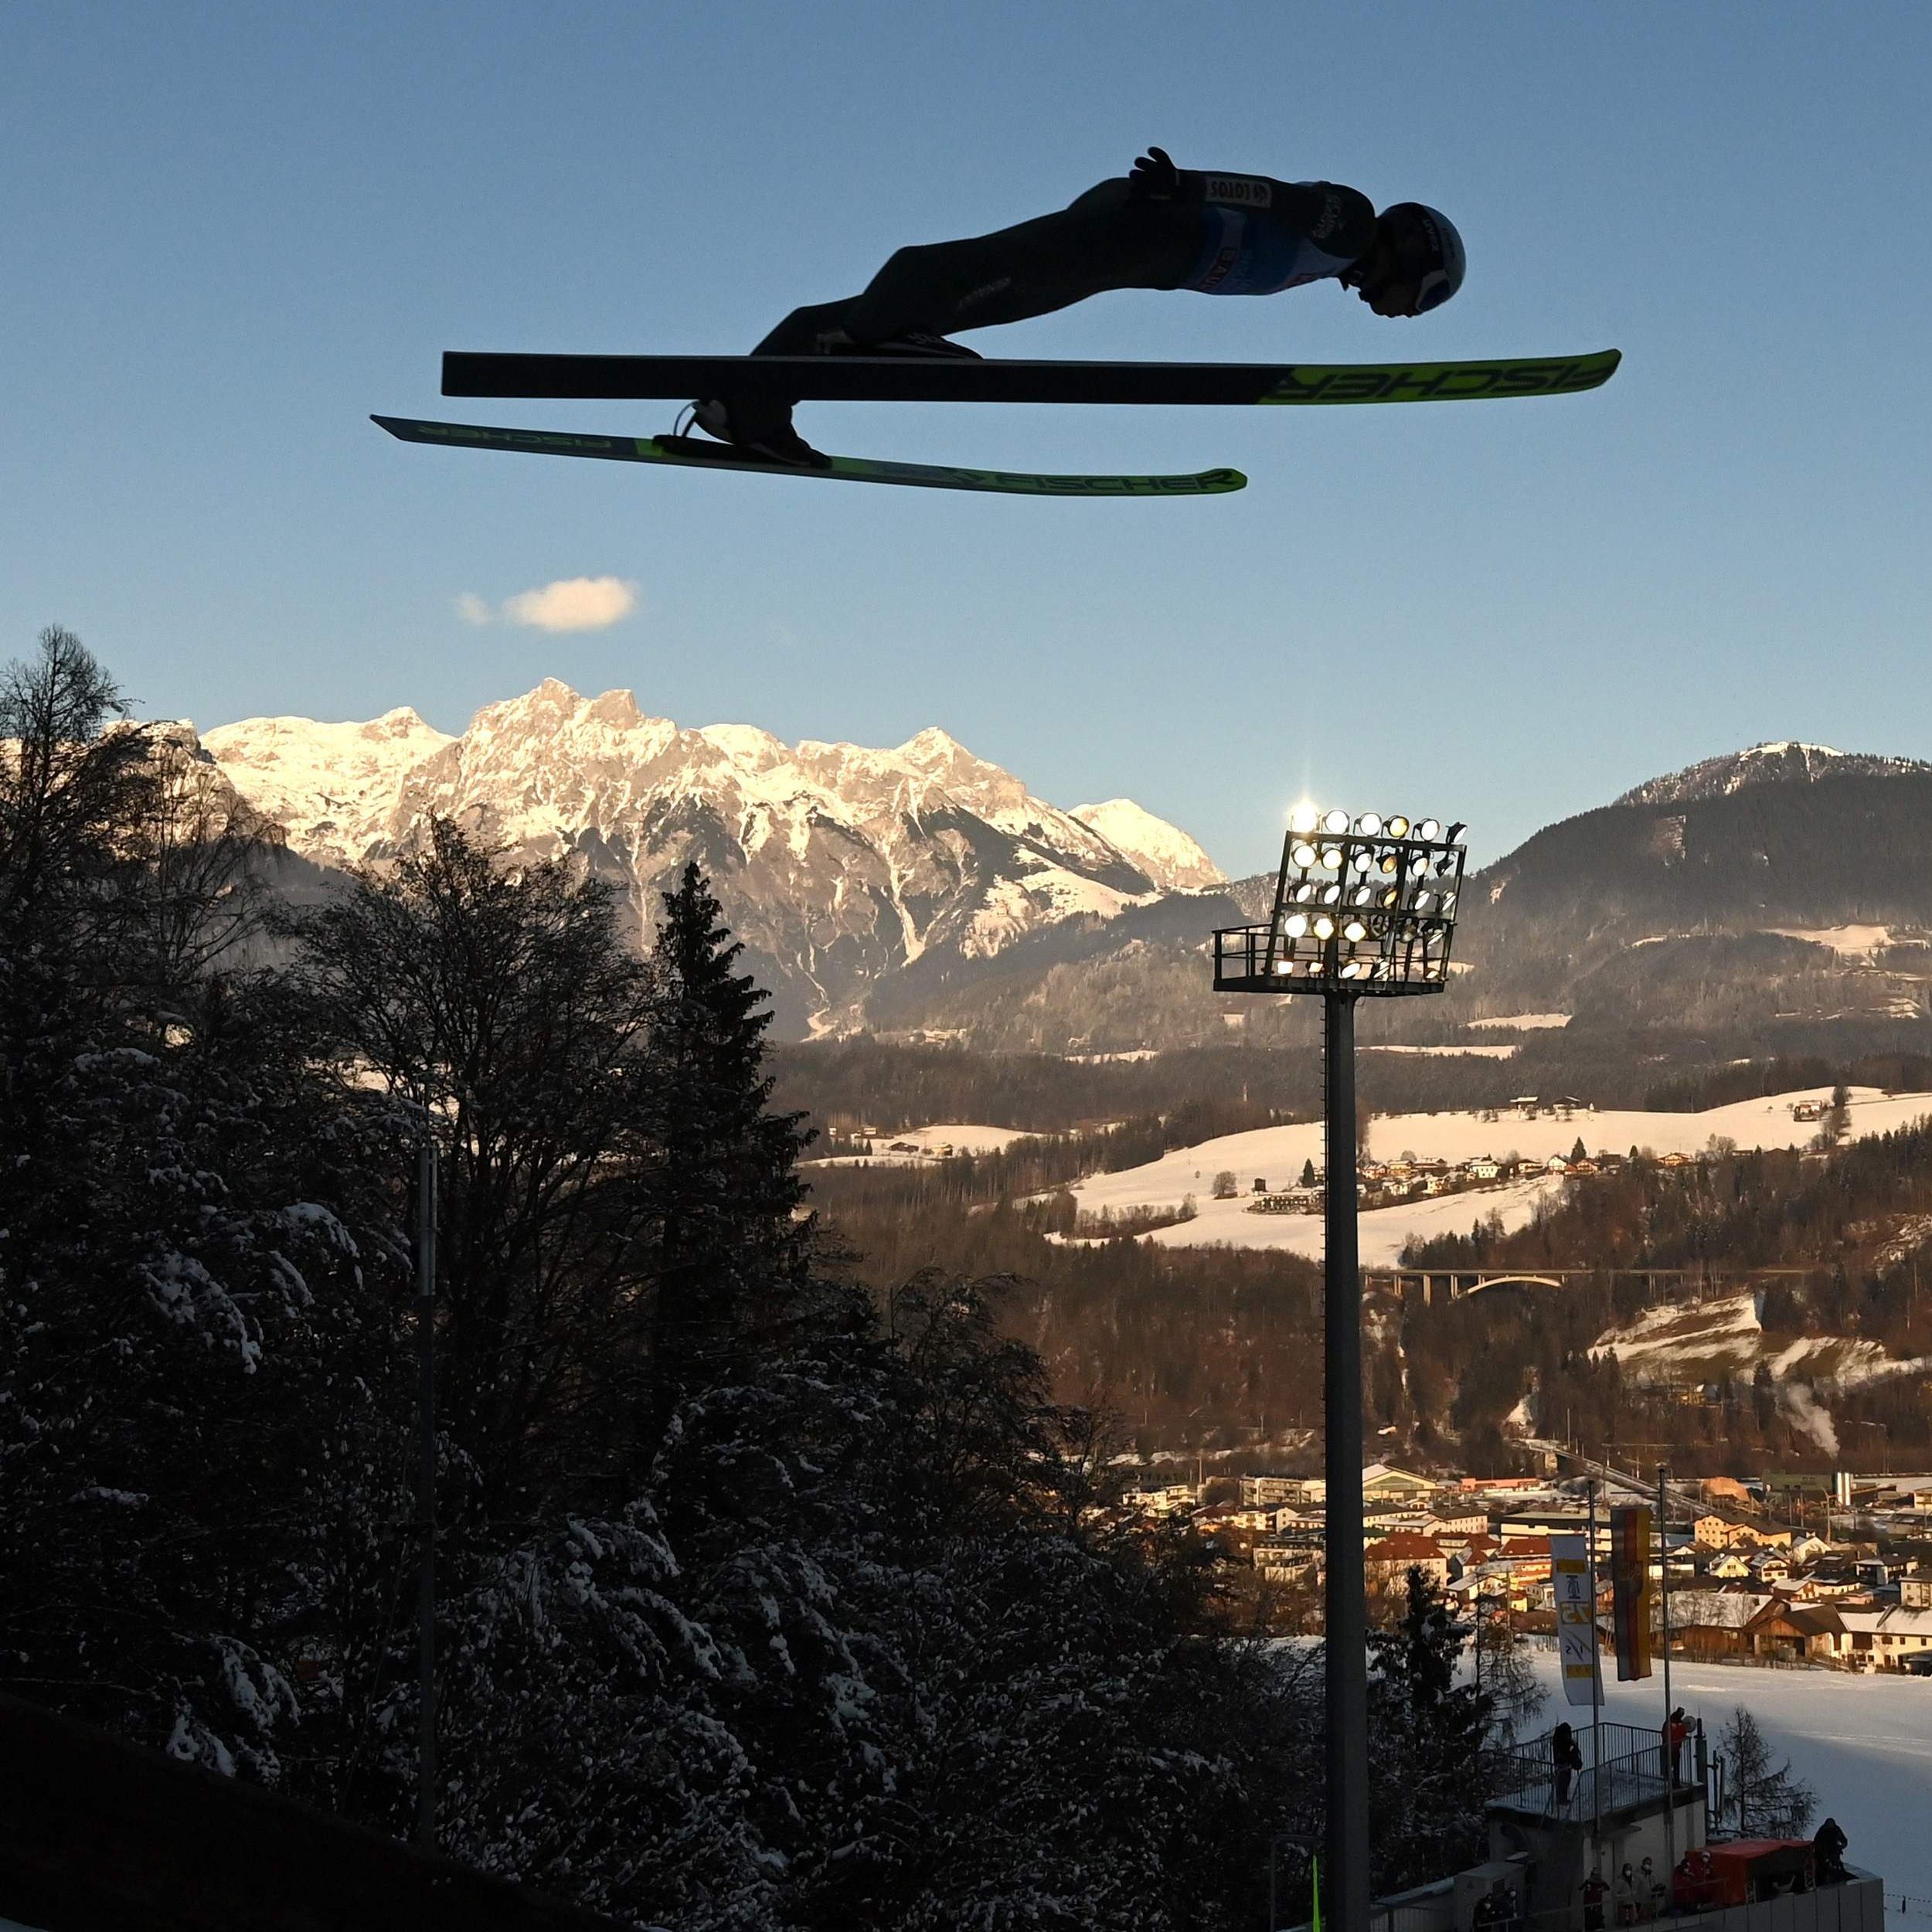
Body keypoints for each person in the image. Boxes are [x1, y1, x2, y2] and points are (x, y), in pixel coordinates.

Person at [694, 148, 1466, 464]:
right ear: (1413, 253)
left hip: (1136, 249)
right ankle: (886, 330)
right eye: (1421, 297)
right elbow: (1275, 198)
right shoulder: (1353, 223)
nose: (1406, 312)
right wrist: (1187, 186)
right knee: (984, 275)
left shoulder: (1332, 260)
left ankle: (747, 405)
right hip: (1148, 231)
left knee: (995, 288)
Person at [1553, 1720, 1584, 1807]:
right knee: (1562, 1781)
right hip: (1562, 1762)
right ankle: (1561, 1799)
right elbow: (1562, 1751)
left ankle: (1563, 1798)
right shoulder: (1559, 1740)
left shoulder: (1562, 1738)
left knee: (1566, 1780)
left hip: (1565, 1762)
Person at [1815, 1818, 1849, 1885]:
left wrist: (1842, 1845)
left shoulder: (1836, 1829)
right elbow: (1817, 1842)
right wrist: (1821, 1851)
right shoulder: (1822, 1830)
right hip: (1824, 1853)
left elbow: (1843, 1839)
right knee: (1823, 1869)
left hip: (1834, 1852)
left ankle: (1840, 1878)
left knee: (1837, 1866)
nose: (1830, 1826)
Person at [1665, 1706, 1692, 1786]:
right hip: (1671, 1747)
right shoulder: (1673, 1721)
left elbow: (1682, 1732)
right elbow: (1666, 1732)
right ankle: (1671, 1781)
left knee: (1674, 1765)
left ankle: (1674, 1781)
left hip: (1675, 1747)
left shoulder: (1677, 1722)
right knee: (1672, 1765)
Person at [1583, 1868, 1610, 1932]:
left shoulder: (1600, 1883)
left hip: (1598, 1905)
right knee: (1590, 1924)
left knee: (1598, 1922)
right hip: (1589, 1907)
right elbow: (1583, 1892)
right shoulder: (1588, 1883)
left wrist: (1602, 1882)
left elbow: (1608, 1888)